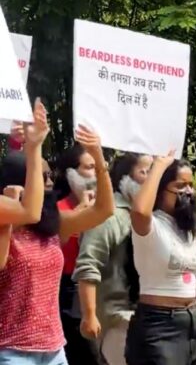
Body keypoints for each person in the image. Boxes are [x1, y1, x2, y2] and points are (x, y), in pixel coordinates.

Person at [0, 100, 115, 365]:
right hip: (10, 350)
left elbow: (103, 210)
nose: (50, 183)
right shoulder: (5, 223)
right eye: (42, 177)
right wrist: (33, 147)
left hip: (54, 349)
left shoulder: (52, 224)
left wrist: (99, 160)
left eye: (50, 176)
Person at [125, 154, 196, 365]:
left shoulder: (186, 229)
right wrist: (159, 166)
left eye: (191, 185)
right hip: (159, 327)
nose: (189, 192)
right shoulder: (150, 226)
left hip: (194, 323)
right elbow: (139, 210)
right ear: (160, 189)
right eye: (180, 186)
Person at [73, 153, 153, 365]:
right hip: (117, 319)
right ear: (124, 179)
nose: (151, 178)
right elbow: (88, 264)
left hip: (144, 316)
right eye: (144, 172)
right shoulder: (111, 217)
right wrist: (89, 315)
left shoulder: (150, 217)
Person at [54, 143, 103, 365]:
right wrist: (82, 209)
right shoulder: (57, 209)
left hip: (104, 290)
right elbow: (56, 243)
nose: (95, 174)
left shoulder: (106, 208)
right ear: (70, 173)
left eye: (98, 168)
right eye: (89, 167)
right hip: (68, 293)